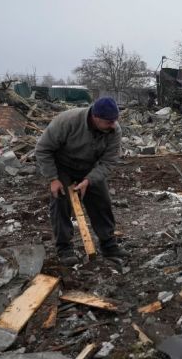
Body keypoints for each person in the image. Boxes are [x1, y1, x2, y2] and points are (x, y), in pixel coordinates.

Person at [35, 97, 128, 265]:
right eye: (109, 122)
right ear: (95, 117)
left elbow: (109, 161)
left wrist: (89, 180)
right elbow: (43, 149)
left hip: (89, 168)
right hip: (62, 166)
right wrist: (53, 179)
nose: (113, 125)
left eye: (115, 120)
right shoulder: (67, 121)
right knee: (60, 200)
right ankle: (64, 248)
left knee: (102, 201)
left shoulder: (114, 130)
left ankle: (108, 244)